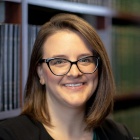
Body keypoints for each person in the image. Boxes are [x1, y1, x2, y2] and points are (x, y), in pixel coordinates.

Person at [0, 13, 133, 140]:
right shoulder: (8, 136)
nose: (74, 73)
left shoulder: (119, 134)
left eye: (85, 60)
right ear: (40, 73)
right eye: (59, 62)